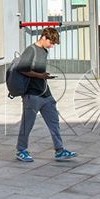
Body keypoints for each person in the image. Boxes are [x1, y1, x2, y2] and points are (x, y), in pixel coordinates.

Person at [13, 27, 77, 163]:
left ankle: (59, 150)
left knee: (54, 121)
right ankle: (21, 150)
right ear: (44, 37)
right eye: (51, 43)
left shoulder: (44, 51)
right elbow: (22, 69)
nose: (52, 46)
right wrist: (40, 75)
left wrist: (43, 76)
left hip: (45, 92)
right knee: (27, 124)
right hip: (31, 94)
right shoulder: (31, 50)